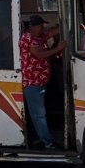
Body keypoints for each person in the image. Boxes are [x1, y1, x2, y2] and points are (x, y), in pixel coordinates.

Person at [19, 15, 67, 150]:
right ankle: (48, 143)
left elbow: (51, 33)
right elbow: (39, 54)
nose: (43, 28)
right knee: (39, 115)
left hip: (41, 82)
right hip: (33, 83)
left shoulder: (38, 36)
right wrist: (58, 48)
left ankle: (39, 138)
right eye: (41, 26)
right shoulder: (27, 38)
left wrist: (68, 22)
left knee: (38, 114)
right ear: (33, 27)